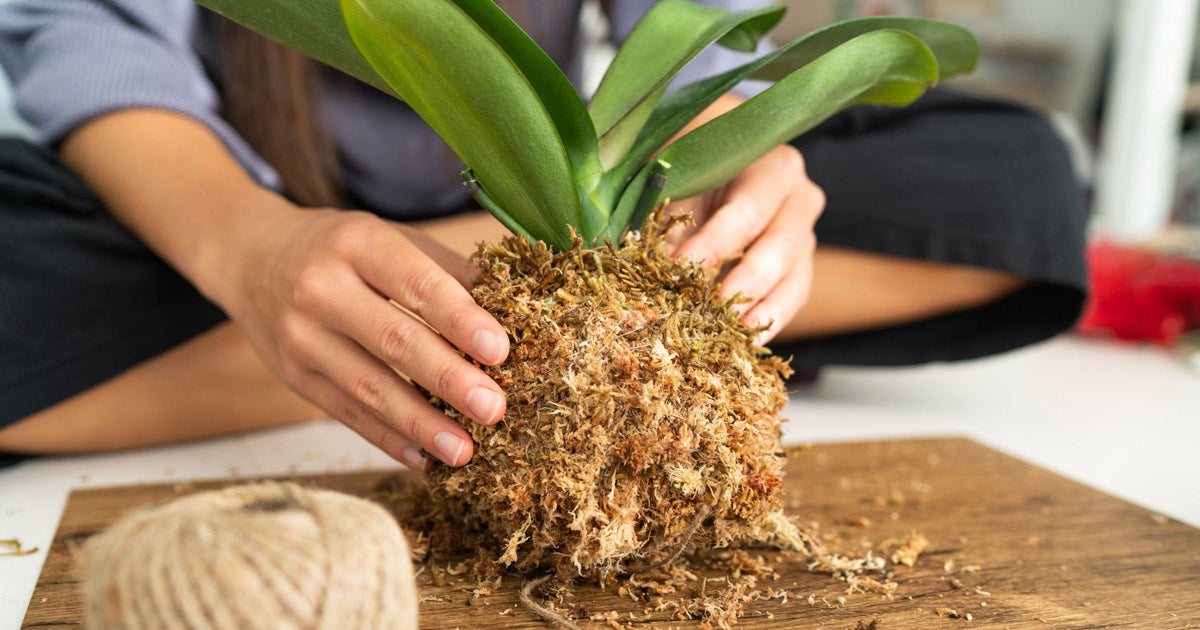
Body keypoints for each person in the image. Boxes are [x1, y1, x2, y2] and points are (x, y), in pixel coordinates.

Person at [0, 0, 1087, 469]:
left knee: (1016, 172)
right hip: (237, 210)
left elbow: (706, 39)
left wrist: (731, 152)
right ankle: (565, 317)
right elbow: (94, 43)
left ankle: (515, 306)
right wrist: (249, 251)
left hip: (561, 196)